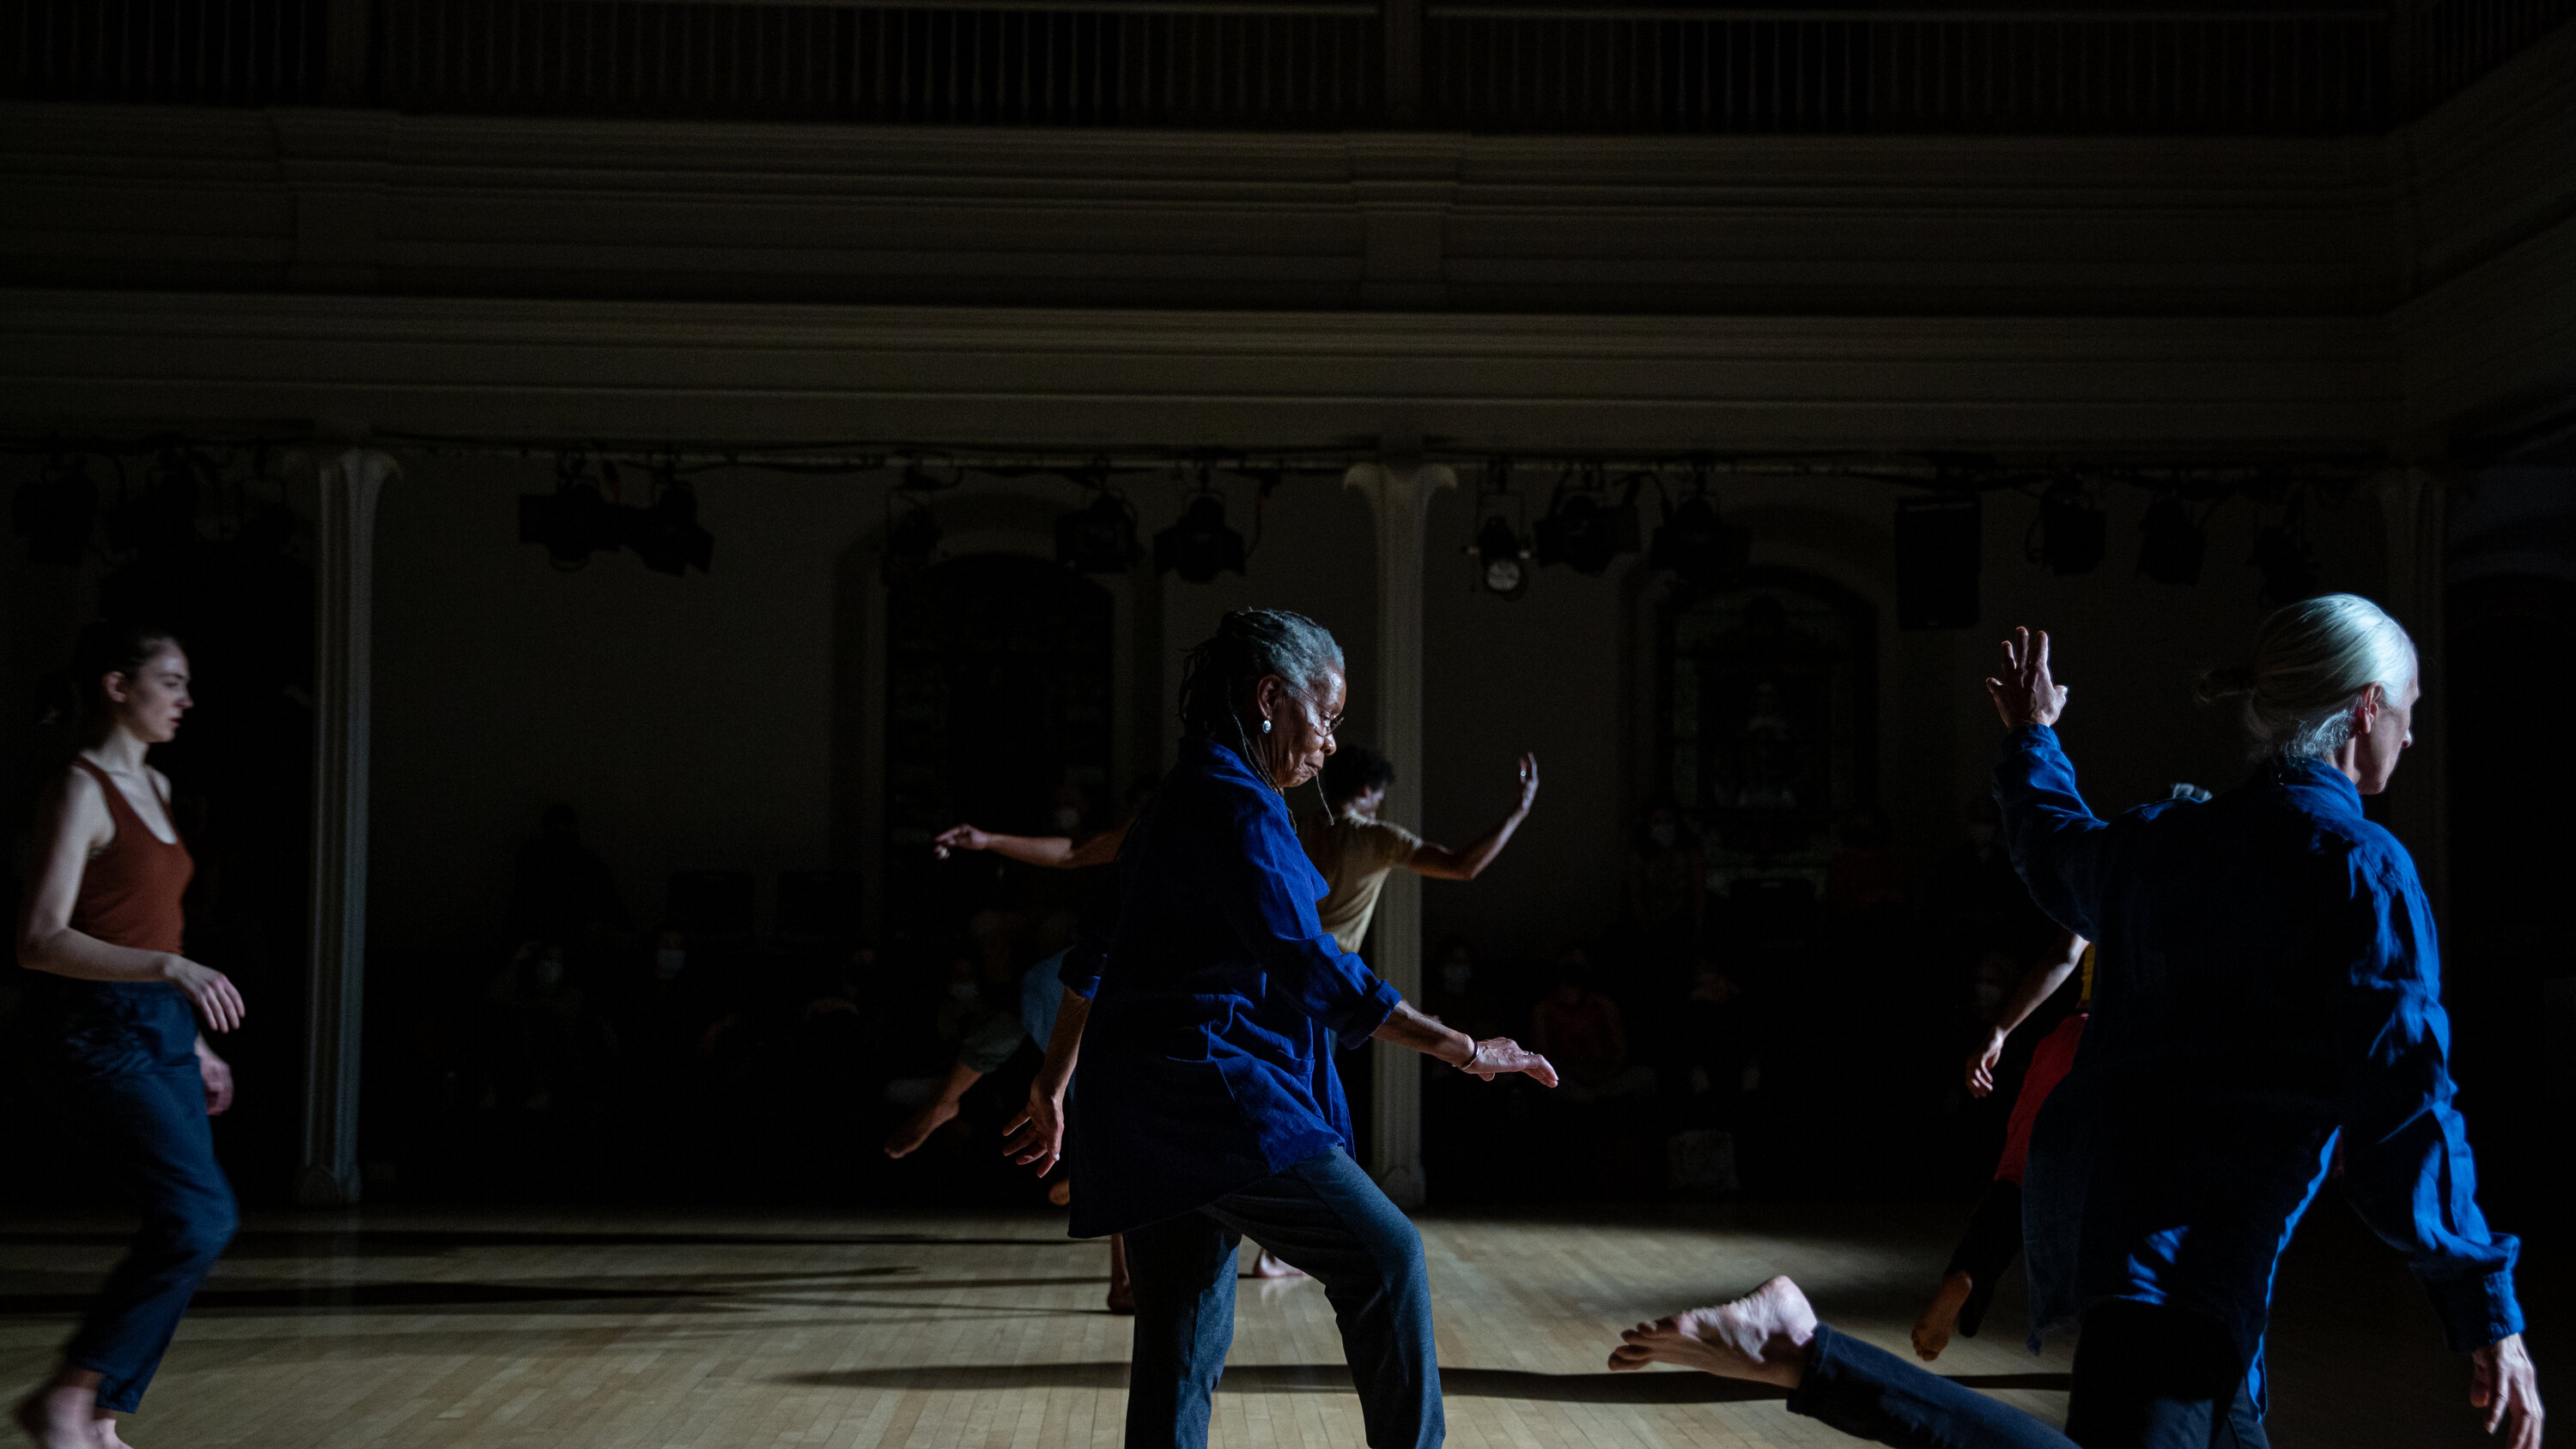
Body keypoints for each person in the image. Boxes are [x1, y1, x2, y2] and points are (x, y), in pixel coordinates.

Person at [1601, 598, 2544, 1449]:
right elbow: (2406, 1108)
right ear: (2369, 705)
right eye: (2412, 709)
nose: (2415, 737)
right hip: (2177, 1259)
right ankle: (1804, 1351)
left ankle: (1804, 1353)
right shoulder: (2360, 869)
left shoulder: (2165, 839)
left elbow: (2054, 849)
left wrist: (2032, 738)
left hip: (2127, 1229)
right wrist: (2487, 1309)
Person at [1002, 608, 1558, 1449]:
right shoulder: (1237, 807)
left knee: (1181, 1342)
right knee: (1387, 1259)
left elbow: (1094, 951)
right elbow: (1313, 966)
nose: (1331, 742)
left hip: (1151, 1107)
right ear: (1270, 697)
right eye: (1326, 716)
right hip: (1217, 1095)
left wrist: (1052, 1081)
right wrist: (1466, 1047)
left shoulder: (1177, 801)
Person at [13, 624, 244, 1449]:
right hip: (96, 1028)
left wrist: (198, 1039)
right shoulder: (78, 788)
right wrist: (170, 974)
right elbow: (39, 939)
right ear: (117, 686)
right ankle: (68, 1398)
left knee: (191, 1222)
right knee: (199, 1217)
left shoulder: (161, 787)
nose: (185, 699)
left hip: (162, 1029)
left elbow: (157, 921)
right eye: (170, 681)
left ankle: (101, 1415)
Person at [1912, 928, 2090, 1361]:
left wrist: (1999, 1032)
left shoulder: (2108, 876)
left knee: (2017, 1179)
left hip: (2072, 1040)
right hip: (2137, 1052)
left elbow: (2064, 955)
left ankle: (1969, 1272)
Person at [1297, 743, 1540, 956]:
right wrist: (1520, 811)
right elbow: (1463, 867)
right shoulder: (1377, 838)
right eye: (1379, 800)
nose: (1375, 811)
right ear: (1365, 790)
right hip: (1330, 967)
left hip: (1282, 960)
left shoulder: (1295, 827)